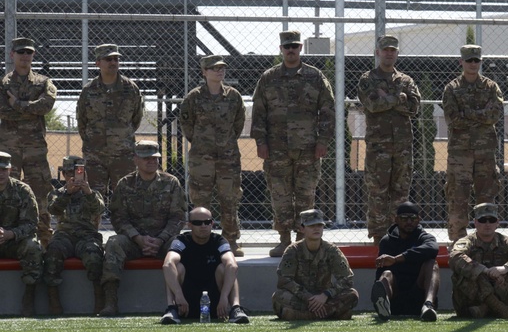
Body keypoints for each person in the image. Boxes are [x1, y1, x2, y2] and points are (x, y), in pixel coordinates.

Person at [251, 30, 335, 257]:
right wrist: (261, 142)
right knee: (280, 195)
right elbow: (259, 112)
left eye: (295, 46)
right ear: (281, 49)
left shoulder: (315, 77)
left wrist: (323, 141)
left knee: (306, 195)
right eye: (287, 46)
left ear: (300, 49)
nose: (291, 50)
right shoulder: (268, 78)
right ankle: (284, 240)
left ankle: (302, 241)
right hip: (276, 149)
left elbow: (328, 111)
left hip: (308, 149)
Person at [99, 141, 186, 317]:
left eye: (155, 158)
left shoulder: (171, 183)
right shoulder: (125, 184)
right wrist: (138, 238)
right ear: (135, 159)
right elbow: (118, 218)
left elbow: (178, 217)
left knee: (179, 246)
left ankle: (179, 302)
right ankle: (110, 302)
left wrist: (161, 239)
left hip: (162, 240)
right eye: (147, 158)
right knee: (113, 243)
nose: (152, 162)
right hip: (134, 242)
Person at [179, 55, 247, 256]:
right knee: (201, 200)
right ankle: (202, 243)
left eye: (222, 68)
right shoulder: (193, 97)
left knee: (230, 198)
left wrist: (225, 142)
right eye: (214, 68)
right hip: (202, 158)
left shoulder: (233, 96)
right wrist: (201, 142)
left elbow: (238, 123)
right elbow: (186, 125)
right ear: (204, 72)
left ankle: (230, 242)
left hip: (228, 157)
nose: (219, 71)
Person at [357, 35, 422, 240]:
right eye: (385, 50)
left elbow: (414, 107)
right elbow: (372, 104)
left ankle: (398, 234)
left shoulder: (406, 80)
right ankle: (378, 237)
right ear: (378, 52)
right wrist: (399, 98)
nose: (389, 53)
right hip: (379, 148)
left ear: (397, 53)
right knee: (377, 193)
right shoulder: (367, 79)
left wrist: (387, 98)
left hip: (402, 147)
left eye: (392, 50)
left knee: (400, 193)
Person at [441, 44, 504, 242]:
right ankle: (458, 242)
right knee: (458, 198)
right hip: (460, 155)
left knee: (486, 198)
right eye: (469, 60)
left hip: (485, 154)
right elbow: (453, 119)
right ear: (461, 62)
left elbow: (495, 114)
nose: (473, 64)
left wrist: (467, 113)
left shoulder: (491, 87)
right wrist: (480, 116)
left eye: (476, 60)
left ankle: (484, 241)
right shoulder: (452, 89)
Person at [0, 37, 57, 246]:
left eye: (29, 52)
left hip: (35, 150)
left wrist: (18, 103)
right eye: (20, 52)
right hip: (8, 151)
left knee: (41, 195)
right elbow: (3, 111)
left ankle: (44, 241)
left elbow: (46, 106)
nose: (25, 56)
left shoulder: (43, 82)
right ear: (12, 55)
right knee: (6, 194)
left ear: (33, 56)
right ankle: (8, 240)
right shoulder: (3, 83)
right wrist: (28, 109)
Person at [76, 44, 144, 199]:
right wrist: (93, 141)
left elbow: (136, 118)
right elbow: (82, 121)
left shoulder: (130, 89)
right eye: (108, 59)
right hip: (95, 155)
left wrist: (122, 137)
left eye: (116, 59)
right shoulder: (89, 90)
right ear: (98, 63)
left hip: (123, 155)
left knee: (126, 198)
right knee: (92, 198)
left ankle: (124, 224)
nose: (113, 62)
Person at [160, 207, 250, 324]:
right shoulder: (181, 241)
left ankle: (235, 309)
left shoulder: (219, 241)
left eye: (207, 222)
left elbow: (232, 265)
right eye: (198, 223)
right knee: (175, 267)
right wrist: (178, 295)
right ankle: (171, 310)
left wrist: (224, 297)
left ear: (212, 223)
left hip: (217, 304)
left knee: (226, 268)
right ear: (190, 225)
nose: (203, 226)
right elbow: (167, 264)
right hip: (184, 302)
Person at [449, 202, 508, 319]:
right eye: (483, 220)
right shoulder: (467, 242)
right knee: (474, 274)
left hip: (503, 295)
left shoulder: (505, 241)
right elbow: (455, 256)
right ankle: (500, 309)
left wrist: (506, 268)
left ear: (497, 223)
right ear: (475, 223)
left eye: (492, 220)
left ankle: (485, 308)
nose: (487, 224)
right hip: (471, 301)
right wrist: (483, 270)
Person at [43, 156, 105, 315]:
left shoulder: (92, 193)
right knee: (52, 253)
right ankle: (53, 300)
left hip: (87, 235)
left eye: (78, 172)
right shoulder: (56, 194)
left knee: (94, 254)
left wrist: (88, 192)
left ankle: (99, 300)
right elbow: (53, 210)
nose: (74, 176)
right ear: (63, 174)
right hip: (64, 236)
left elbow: (99, 210)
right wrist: (67, 194)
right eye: (70, 173)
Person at [271, 209, 359, 321]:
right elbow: (284, 281)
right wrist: (309, 298)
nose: (316, 228)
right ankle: (328, 313)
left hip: (325, 298)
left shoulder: (331, 250)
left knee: (352, 295)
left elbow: (347, 279)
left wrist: (326, 294)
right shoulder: (293, 251)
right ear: (302, 228)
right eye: (311, 225)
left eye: (319, 225)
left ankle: (304, 316)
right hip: (302, 298)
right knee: (278, 296)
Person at [371, 202, 440, 321]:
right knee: (386, 274)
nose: (409, 222)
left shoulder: (425, 238)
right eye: (404, 218)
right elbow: (379, 276)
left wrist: (397, 259)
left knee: (432, 264)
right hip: (395, 298)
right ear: (396, 219)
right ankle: (383, 306)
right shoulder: (387, 242)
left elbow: (432, 249)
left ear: (419, 220)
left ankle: (428, 305)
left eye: (413, 218)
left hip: (418, 296)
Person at [0, 150, 43, 316]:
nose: (0, 173)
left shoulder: (22, 191)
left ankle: (29, 297)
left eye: (4, 170)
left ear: (10, 170)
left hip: (14, 242)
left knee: (33, 247)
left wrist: (11, 234)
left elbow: (32, 224)